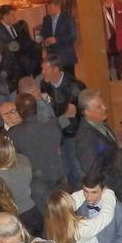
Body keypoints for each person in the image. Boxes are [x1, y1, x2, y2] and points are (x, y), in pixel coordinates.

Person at [8, 93, 65, 211]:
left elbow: (12, 159)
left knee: (48, 218)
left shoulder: (14, 133)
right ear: (36, 107)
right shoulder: (52, 122)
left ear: (19, 111)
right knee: (65, 213)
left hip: (37, 184)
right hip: (58, 175)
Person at [41, 56, 86, 187]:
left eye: (45, 69)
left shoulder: (74, 87)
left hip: (72, 133)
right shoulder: (45, 84)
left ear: (56, 69)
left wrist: (54, 123)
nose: (42, 72)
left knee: (77, 169)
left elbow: (71, 115)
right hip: (57, 132)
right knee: (64, 168)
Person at [75, 88, 122, 198]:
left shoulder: (100, 122)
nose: (105, 108)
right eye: (99, 107)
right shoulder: (85, 138)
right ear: (87, 112)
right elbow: (94, 173)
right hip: (110, 191)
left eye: (103, 104)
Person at [0, 4, 40, 78]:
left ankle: (34, 75)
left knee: (37, 49)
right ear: (5, 17)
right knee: (26, 60)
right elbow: (5, 49)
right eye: (12, 15)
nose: (15, 18)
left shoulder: (15, 26)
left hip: (21, 50)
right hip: (12, 56)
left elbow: (24, 40)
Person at [40, 0, 78, 76]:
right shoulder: (46, 19)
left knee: (70, 78)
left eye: (50, 7)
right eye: (47, 7)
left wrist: (57, 39)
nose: (48, 9)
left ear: (58, 6)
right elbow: (43, 33)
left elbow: (73, 35)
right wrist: (46, 42)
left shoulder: (68, 18)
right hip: (52, 56)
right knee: (55, 77)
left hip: (66, 54)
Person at [101, 0, 122, 80]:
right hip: (107, 36)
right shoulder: (100, 7)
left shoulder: (117, 4)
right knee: (107, 57)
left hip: (118, 36)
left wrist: (119, 9)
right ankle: (108, 76)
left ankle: (119, 73)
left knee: (119, 57)